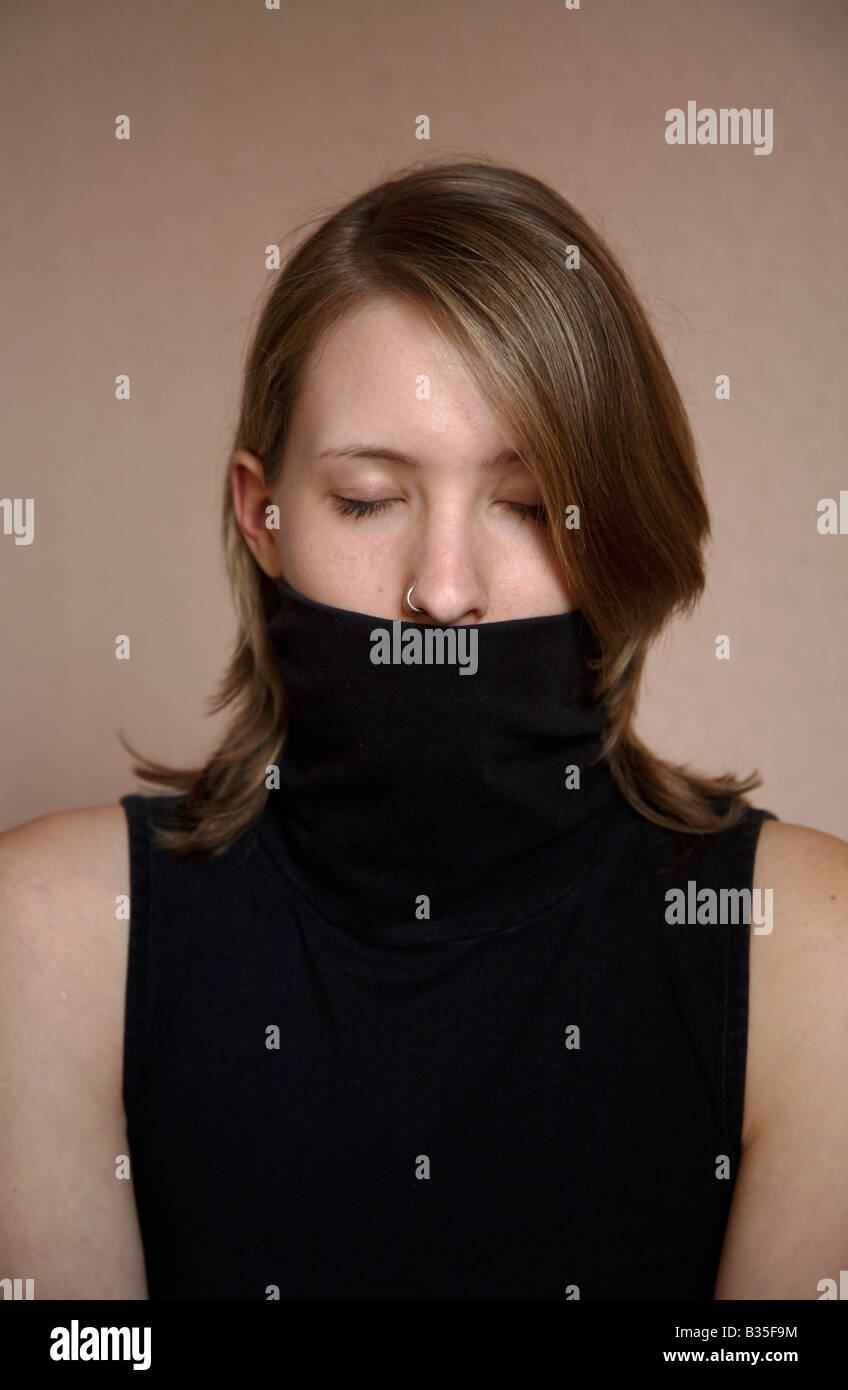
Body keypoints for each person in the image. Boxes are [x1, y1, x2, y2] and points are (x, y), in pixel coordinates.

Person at [1, 159, 846, 1301]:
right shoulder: (51, 937)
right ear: (262, 514)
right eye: (365, 498)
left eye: (530, 505)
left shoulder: (803, 949)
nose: (442, 594)